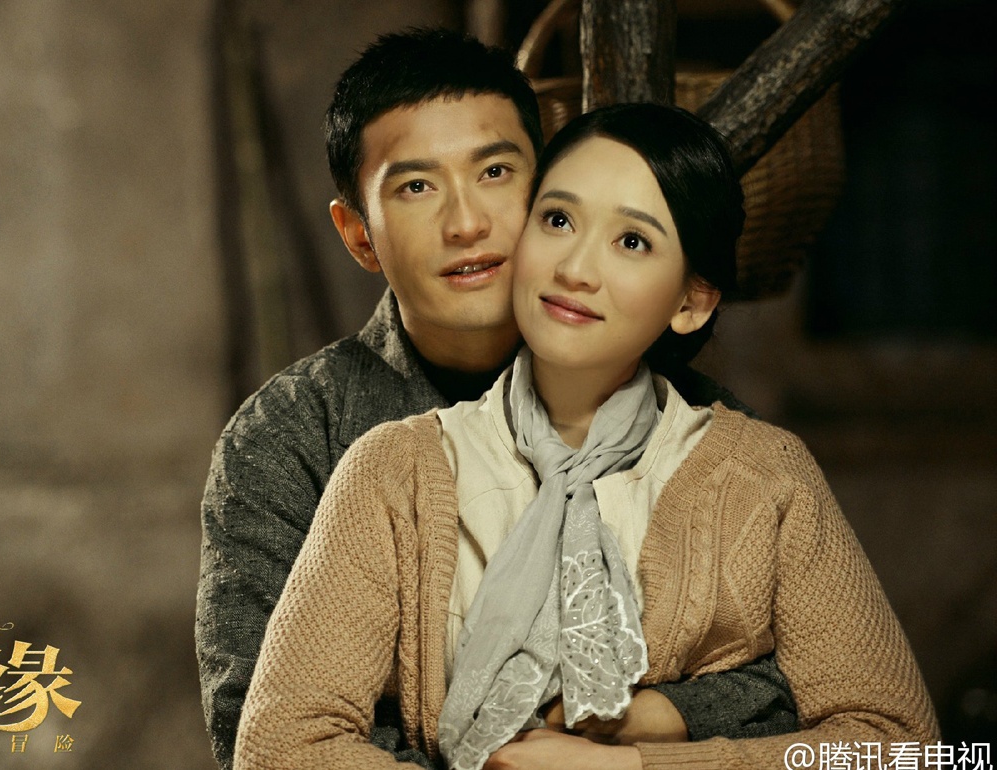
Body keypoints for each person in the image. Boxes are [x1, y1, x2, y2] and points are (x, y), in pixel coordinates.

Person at [233, 103, 939, 770]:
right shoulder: (396, 471)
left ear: (691, 302)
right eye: (558, 220)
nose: (574, 269)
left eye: (632, 242)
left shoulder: (766, 476)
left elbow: (897, 745)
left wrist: (634, 763)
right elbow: (281, 748)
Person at [197, 29, 796, 770]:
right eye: (416, 187)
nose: (467, 223)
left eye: (495, 172)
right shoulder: (289, 438)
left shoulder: (698, 425)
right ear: (358, 236)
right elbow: (264, 730)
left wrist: (660, 720)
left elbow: (796, 685)